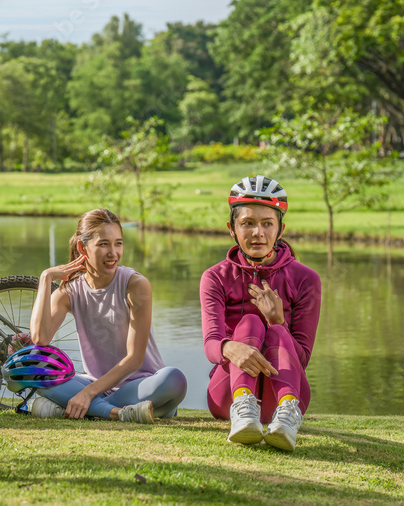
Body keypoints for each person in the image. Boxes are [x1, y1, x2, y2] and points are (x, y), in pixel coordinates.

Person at [27, 208, 187, 424]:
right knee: (31, 365)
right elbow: (40, 340)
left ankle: (85, 407)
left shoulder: (135, 285)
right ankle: (120, 413)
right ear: (82, 247)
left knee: (174, 379)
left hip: (140, 385)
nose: (113, 253)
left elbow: (134, 359)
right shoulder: (69, 292)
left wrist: (87, 394)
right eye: (104, 244)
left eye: (118, 243)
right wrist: (45, 278)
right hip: (94, 384)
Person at [200, 176, 321, 451]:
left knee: (275, 328)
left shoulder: (306, 279)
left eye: (267, 223)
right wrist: (231, 349)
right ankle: (244, 410)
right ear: (232, 229)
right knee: (250, 322)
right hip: (228, 396)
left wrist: (277, 321)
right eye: (248, 224)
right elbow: (210, 345)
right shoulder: (215, 277)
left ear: (280, 229)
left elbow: (302, 360)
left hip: (284, 394)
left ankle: (287, 417)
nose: (258, 233)